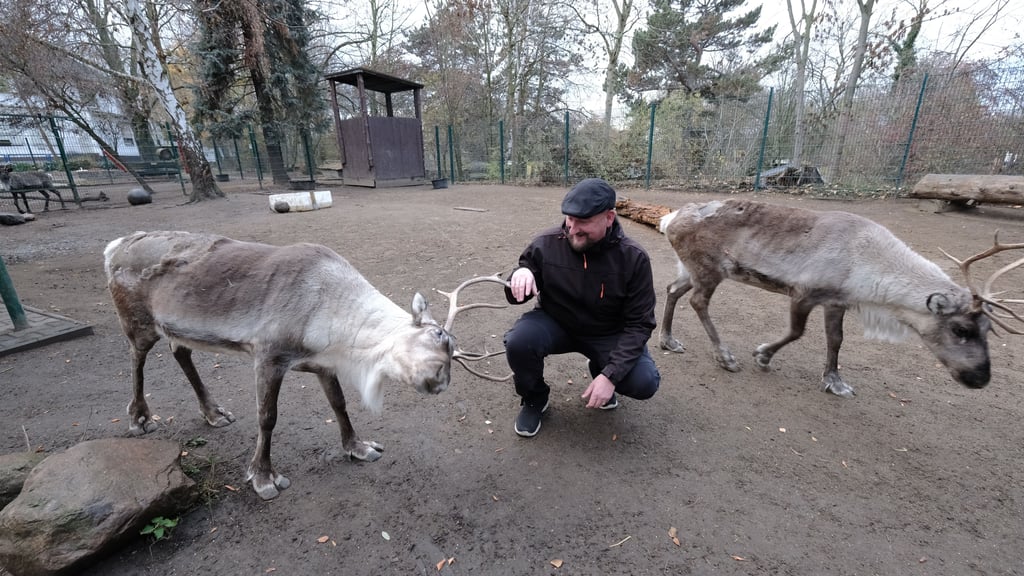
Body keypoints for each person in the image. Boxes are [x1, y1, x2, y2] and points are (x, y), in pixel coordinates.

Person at [503, 178, 661, 437]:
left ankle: (600, 367)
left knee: (644, 382)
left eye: (583, 222)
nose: (573, 229)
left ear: (609, 218)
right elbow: (516, 294)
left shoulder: (634, 258)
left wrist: (610, 375)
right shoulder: (546, 243)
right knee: (519, 342)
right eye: (570, 219)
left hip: (608, 332)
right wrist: (519, 276)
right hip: (556, 322)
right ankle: (534, 398)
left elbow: (640, 324)